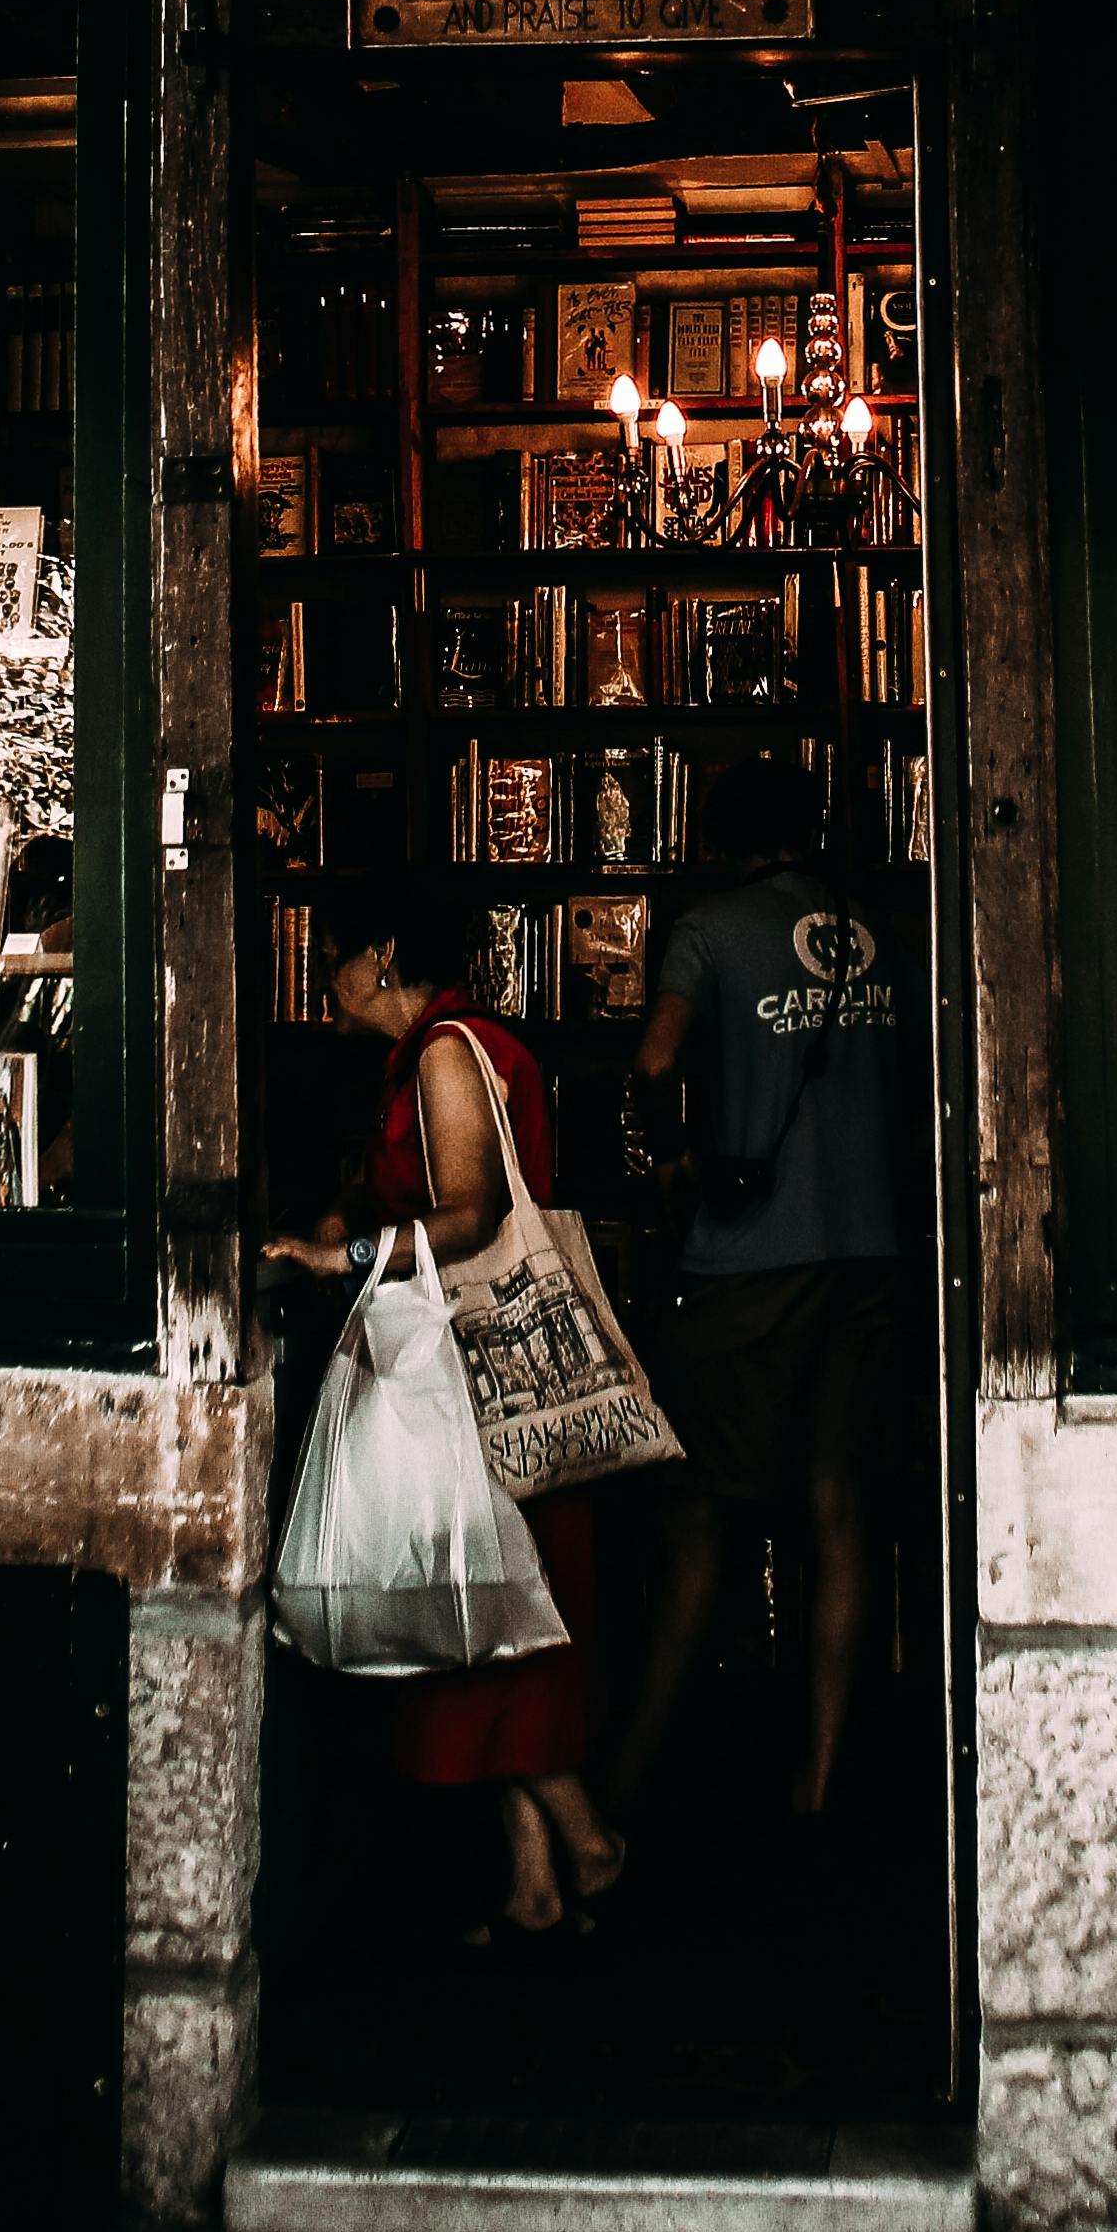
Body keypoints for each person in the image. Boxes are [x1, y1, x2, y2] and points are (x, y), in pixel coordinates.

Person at [268, 880, 624, 1938]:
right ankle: (536, 1884)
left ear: (381, 948)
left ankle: (592, 1845)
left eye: (330, 953)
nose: (321, 978)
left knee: (483, 1616)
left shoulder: (440, 1051)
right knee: (495, 1621)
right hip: (484, 1375)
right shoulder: (444, 1048)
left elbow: (469, 1212)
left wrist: (345, 1252)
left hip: (473, 1376)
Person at [607, 762, 913, 1834]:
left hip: (745, 1265)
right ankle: (819, 1783)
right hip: (871, 1252)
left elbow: (653, 1059)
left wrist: (675, 1160)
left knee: (691, 1512)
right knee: (841, 1511)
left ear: (717, 832)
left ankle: (627, 1783)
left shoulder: (705, 926)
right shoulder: (878, 925)